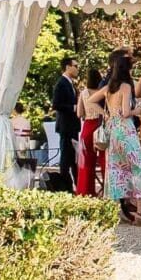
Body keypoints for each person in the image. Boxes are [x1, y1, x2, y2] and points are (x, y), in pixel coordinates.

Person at [102, 52, 141, 222]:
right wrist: (137, 110)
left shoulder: (109, 87)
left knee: (117, 168)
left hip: (113, 130)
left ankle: (118, 209)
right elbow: (125, 112)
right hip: (125, 130)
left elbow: (91, 100)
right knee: (140, 168)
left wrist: (106, 114)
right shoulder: (125, 86)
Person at [51, 57, 82, 194]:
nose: (77, 69)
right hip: (66, 126)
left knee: (73, 157)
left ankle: (77, 186)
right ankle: (65, 187)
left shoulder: (70, 83)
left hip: (72, 126)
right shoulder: (61, 83)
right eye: (75, 66)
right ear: (68, 67)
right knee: (65, 158)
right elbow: (56, 104)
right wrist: (74, 107)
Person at [77, 66, 106, 198]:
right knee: (104, 159)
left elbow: (79, 113)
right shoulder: (102, 92)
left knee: (87, 161)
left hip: (88, 126)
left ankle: (85, 191)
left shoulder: (84, 93)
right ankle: (107, 190)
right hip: (101, 125)